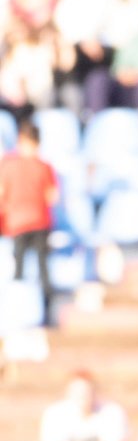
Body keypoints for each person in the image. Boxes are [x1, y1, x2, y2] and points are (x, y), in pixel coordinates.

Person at [0, 121, 58, 321]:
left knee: (20, 270)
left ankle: (19, 315)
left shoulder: (8, 165)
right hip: (39, 222)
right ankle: (46, 313)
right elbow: (52, 196)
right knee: (42, 268)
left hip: (18, 224)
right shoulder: (43, 166)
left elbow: (2, 194)